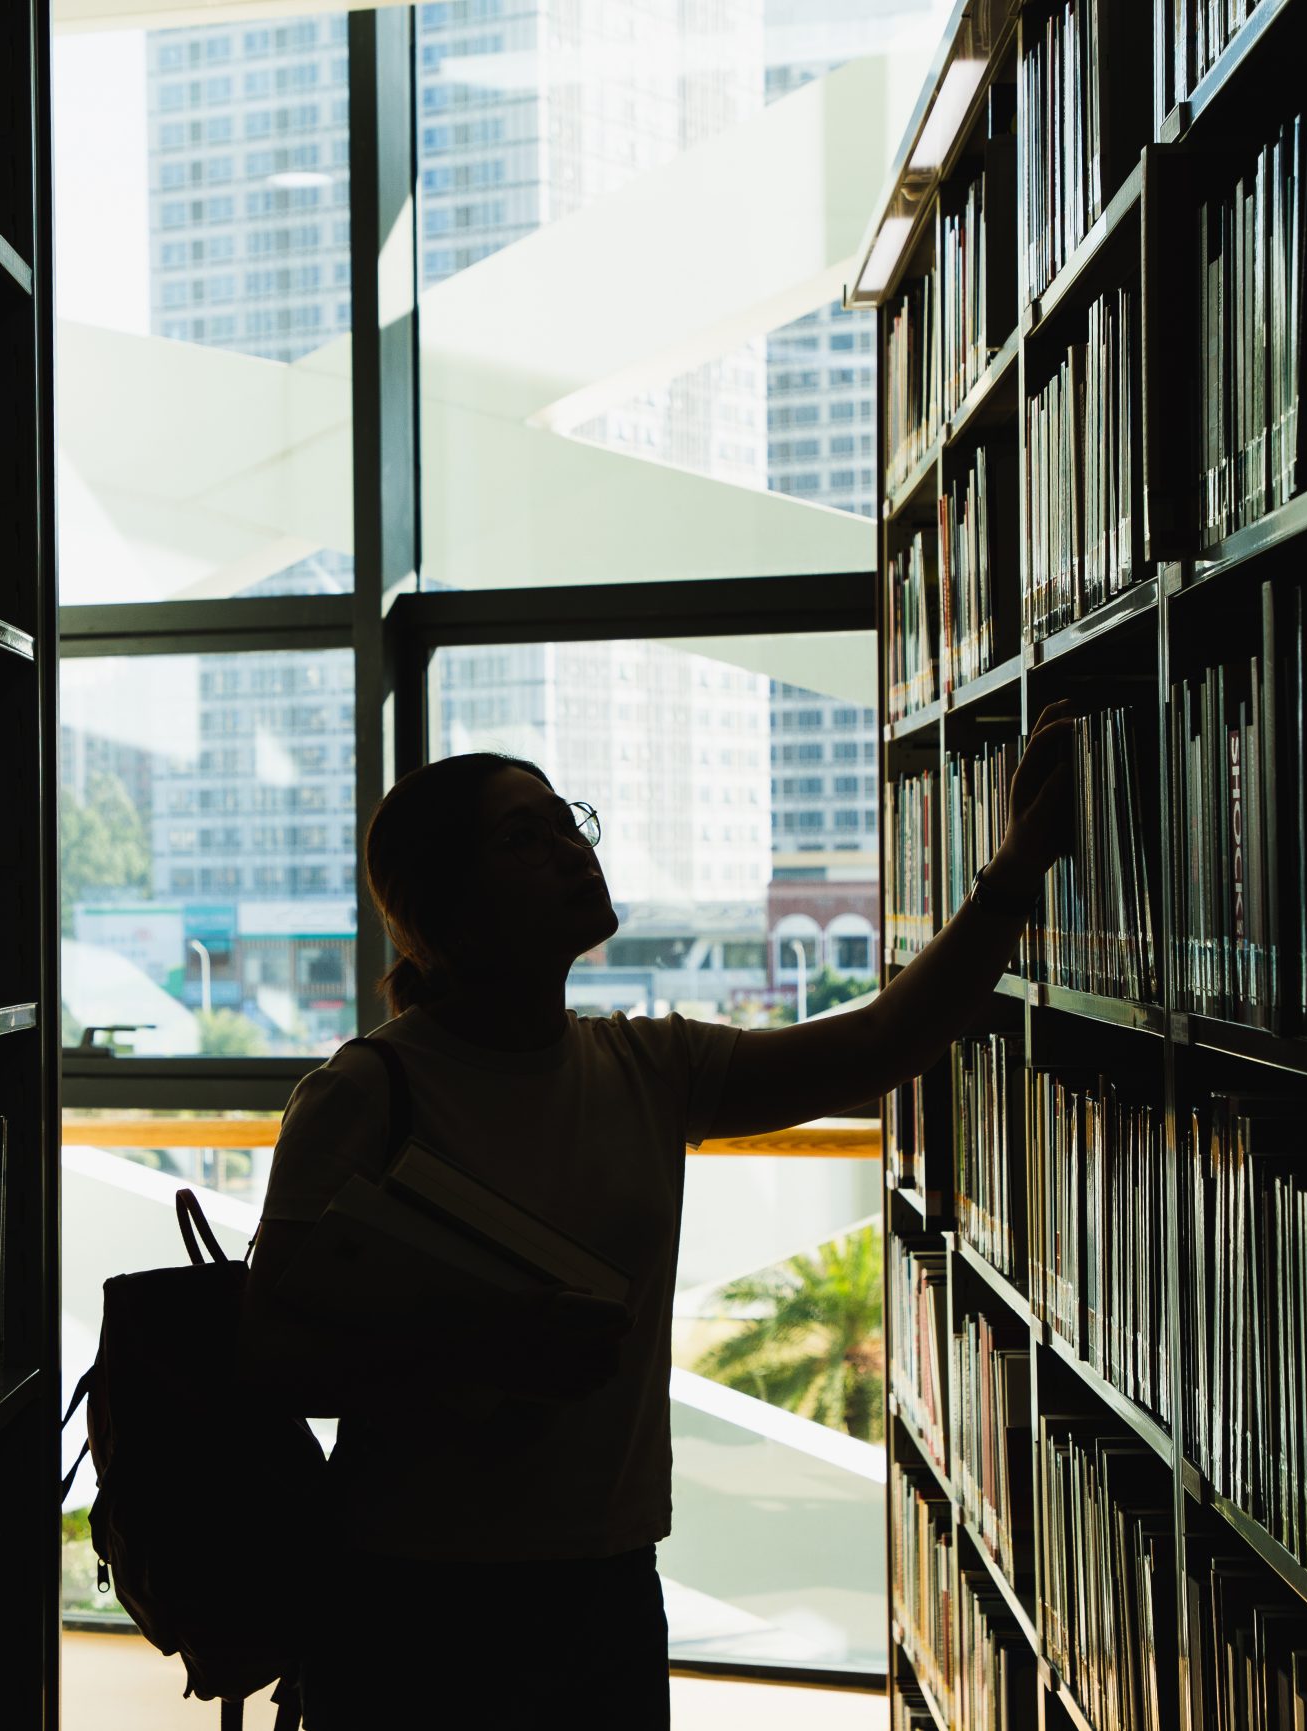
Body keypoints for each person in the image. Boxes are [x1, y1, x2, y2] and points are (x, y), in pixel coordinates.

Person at [240, 700, 1080, 1729]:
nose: (568, 852)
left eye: (566, 823)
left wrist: (1018, 866)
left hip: (605, 1575)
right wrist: (482, 1352)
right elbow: (273, 1358)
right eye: (522, 838)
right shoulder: (366, 1092)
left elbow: (879, 1046)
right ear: (442, 904)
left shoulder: (644, 1067)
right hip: (411, 1588)